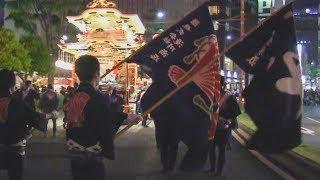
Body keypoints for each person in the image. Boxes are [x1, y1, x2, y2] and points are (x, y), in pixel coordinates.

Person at [63, 55, 142, 180]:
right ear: (96, 74)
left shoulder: (73, 97)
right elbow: (105, 118)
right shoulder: (97, 97)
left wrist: (127, 116)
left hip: (74, 149)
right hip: (91, 151)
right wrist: (127, 117)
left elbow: (99, 114)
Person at [0, 69, 57, 180]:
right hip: (14, 151)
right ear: (12, 85)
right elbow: (36, 119)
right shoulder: (16, 103)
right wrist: (51, 115)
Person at [207, 75, 241, 176]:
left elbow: (235, 112)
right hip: (211, 127)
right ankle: (213, 168)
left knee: (221, 149)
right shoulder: (210, 96)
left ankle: (219, 171)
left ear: (221, 84)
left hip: (223, 128)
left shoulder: (228, 97)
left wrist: (226, 121)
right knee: (211, 149)